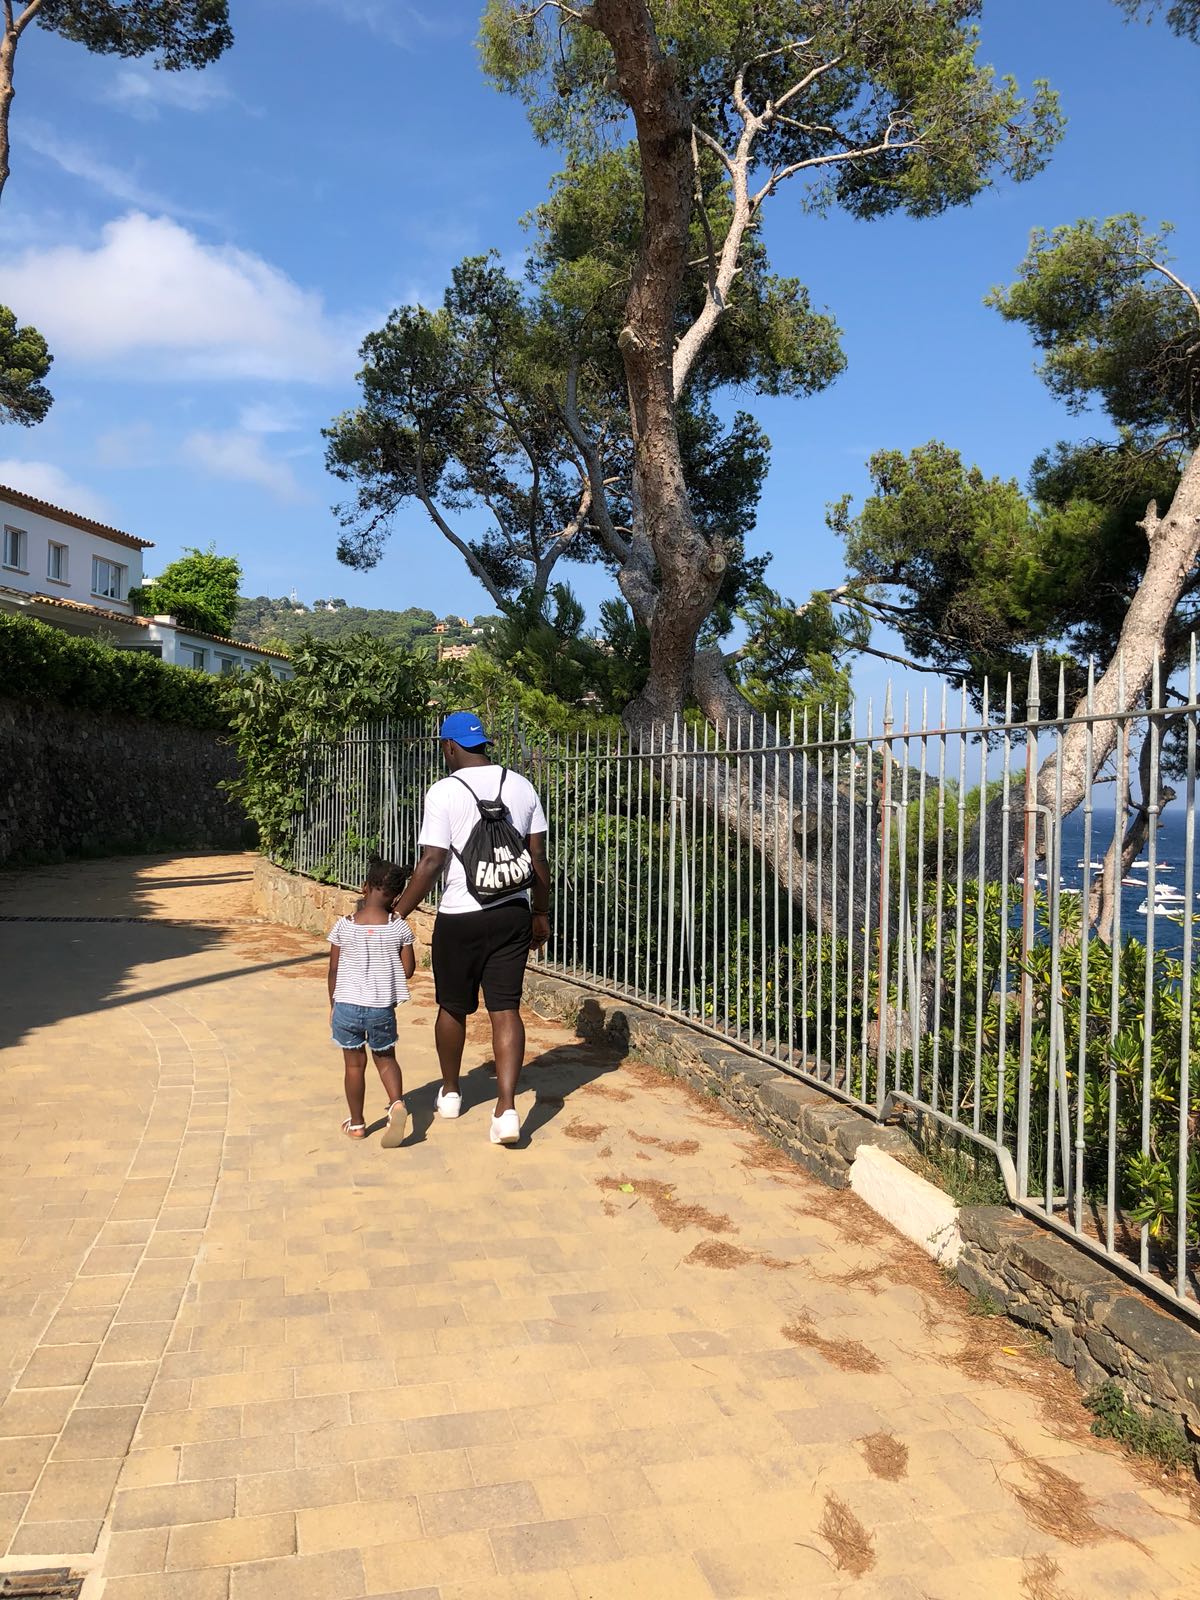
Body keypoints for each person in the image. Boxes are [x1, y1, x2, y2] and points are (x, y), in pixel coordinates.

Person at [392, 711, 549, 1145]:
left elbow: (431, 862)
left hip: (461, 916)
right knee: (506, 1009)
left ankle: (451, 1092)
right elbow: (538, 860)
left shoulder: (444, 791)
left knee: (452, 1006)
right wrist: (540, 913)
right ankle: (507, 1109)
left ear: (449, 746)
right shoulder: (521, 786)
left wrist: (398, 913)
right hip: (513, 913)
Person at [327, 859, 415, 1145]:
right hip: (381, 1008)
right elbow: (408, 970)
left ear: (364, 888)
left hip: (347, 1006)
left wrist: (333, 1005)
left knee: (354, 1066)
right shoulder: (398, 928)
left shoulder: (344, 926)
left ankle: (356, 1124)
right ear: (396, 896)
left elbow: (334, 970)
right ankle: (397, 1104)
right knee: (386, 1059)